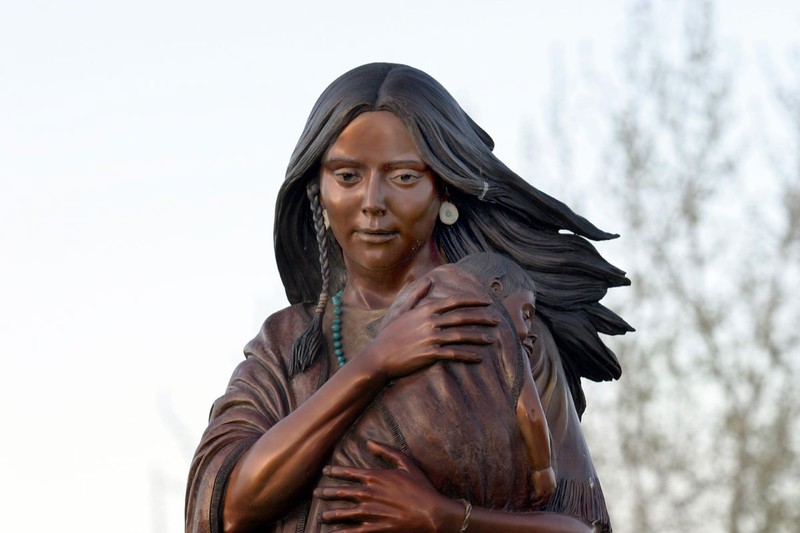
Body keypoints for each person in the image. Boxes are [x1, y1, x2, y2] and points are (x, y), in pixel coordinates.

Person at [186, 62, 632, 533]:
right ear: (317, 189)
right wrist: (375, 364)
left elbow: (584, 528)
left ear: (442, 188)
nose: (372, 200)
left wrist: (446, 518)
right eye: (347, 175)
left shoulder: (505, 329)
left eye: (402, 177)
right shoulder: (286, 344)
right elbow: (225, 508)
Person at [455, 252, 612, 532]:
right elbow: (530, 411)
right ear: (494, 290)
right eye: (525, 315)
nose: (529, 331)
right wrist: (542, 469)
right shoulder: (506, 347)